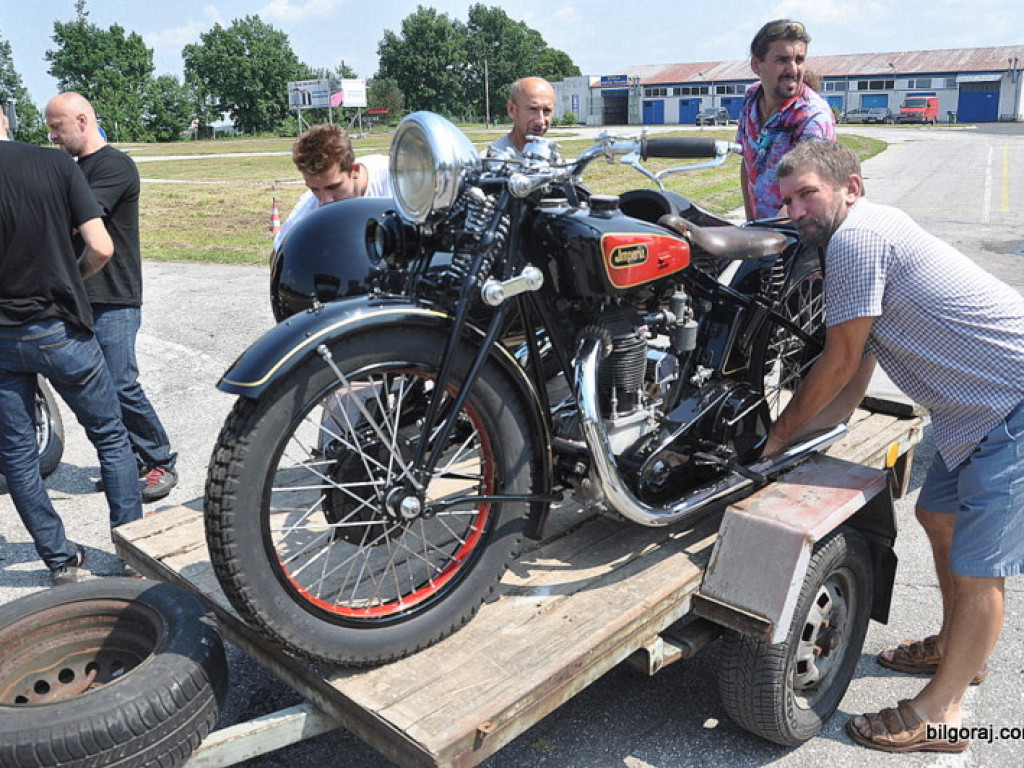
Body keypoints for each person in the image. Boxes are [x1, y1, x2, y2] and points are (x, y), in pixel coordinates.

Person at [763, 139, 1024, 753]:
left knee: (979, 566)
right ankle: (958, 646)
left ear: (851, 187)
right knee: (938, 517)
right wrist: (809, 442)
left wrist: (779, 436)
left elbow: (838, 360)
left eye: (807, 194)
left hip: (1013, 403)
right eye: (786, 200)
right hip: (974, 412)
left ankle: (942, 711)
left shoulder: (856, 240)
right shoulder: (866, 233)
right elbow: (856, 372)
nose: (795, 211)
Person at [0, 133, 143, 585]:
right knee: (111, 435)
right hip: (58, 327)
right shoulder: (56, 165)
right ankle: (132, 551)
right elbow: (101, 247)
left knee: (17, 454)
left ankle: (60, 560)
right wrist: (71, 280)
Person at [45, 92, 178, 502]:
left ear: (82, 120)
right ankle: (127, 462)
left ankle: (159, 460)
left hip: (113, 296)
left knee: (121, 383)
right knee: (95, 387)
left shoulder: (114, 165)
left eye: (57, 127)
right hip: (79, 295)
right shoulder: (72, 169)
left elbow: (78, 221)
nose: (52, 136)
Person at [737, 19, 836, 221]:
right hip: (763, 232)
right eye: (782, 60)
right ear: (757, 65)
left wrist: (765, 234)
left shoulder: (813, 117)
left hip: (800, 233)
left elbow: (805, 192)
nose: (793, 70)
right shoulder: (752, 97)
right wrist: (751, 224)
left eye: (799, 60)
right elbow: (747, 164)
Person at [273, 123, 391, 250]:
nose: (325, 201)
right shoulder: (308, 206)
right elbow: (280, 251)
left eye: (333, 187)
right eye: (314, 189)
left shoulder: (396, 180)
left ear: (354, 170)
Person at [486, 76, 556, 158]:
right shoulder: (492, 160)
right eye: (533, 109)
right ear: (512, 110)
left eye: (547, 111)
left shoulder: (552, 158)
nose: (540, 121)